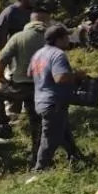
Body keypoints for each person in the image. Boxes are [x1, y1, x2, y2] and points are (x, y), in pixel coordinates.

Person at [0, 8, 50, 150]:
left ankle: (3, 126)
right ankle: (37, 155)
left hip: (19, 86)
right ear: (46, 21)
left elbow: (2, 59)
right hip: (42, 88)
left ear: (31, 21)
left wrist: (0, 77)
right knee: (36, 121)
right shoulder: (51, 38)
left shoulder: (18, 37)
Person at [29, 25, 88, 170]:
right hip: (53, 102)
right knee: (49, 138)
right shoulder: (58, 54)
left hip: (40, 100)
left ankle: (76, 158)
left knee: (63, 131)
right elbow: (60, 78)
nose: (68, 40)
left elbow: (30, 73)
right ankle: (40, 169)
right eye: (66, 37)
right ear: (59, 39)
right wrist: (77, 75)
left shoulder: (38, 54)